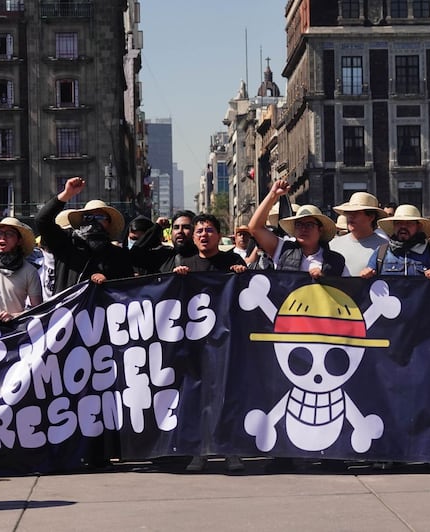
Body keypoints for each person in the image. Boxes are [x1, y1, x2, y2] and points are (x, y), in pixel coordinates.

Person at [171, 213, 245, 473]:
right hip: (196, 346)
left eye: (210, 230)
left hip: (228, 343)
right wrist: (177, 279)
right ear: (194, 237)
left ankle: (231, 451)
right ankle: (198, 452)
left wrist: (242, 275)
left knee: (227, 396)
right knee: (197, 399)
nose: (204, 235)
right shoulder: (185, 264)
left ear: (219, 235)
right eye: (200, 231)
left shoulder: (233, 262)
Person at [36, 176, 133, 293]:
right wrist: (66, 195)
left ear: (109, 223)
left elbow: (128, 289)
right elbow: (42, 220)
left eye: (99, 217)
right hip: (67, 304)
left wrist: (108, 281)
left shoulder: (118, 255)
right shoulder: (67, 243)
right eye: (88, 217)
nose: (93, 221)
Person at [249, 179, 347, 278]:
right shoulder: (283, 249)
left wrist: (325, 279)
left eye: (309, 225)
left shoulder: (335, 261)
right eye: (299, 225)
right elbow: (255, 227)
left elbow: (347, 286)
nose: (303, 229)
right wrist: (273, 194)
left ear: (320, 230)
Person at [361, 204, 430, 279]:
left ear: (418, 226)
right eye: (399, 223)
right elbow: (369, 286)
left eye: (409, 223)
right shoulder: (381, 252)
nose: (403, 226)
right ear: (394, 226)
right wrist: (366, 276)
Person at [329, 192, 387, 276]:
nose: (350, 217)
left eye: (356, 213)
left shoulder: (385, 248)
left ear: (371, 217)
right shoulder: (332, 245)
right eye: (348, 213)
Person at [130, 210, 196, 274]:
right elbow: (134, 255)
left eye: (186, 227)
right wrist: (157, 227)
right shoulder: (161, 256)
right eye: (176, 227)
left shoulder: (200, 257)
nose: (180, 231)